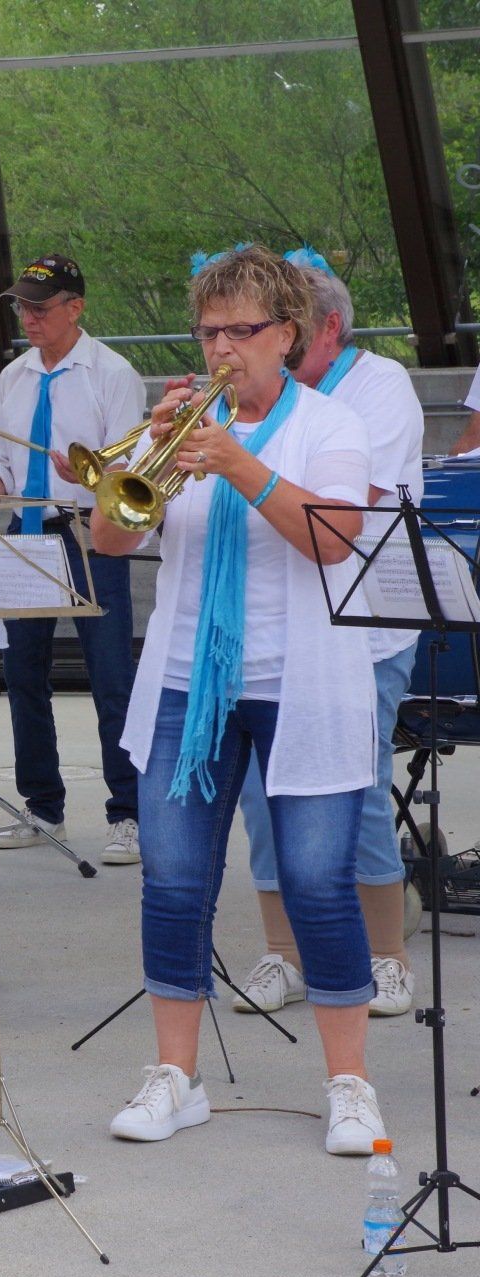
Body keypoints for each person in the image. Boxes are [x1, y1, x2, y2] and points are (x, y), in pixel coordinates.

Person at [91, 246, 384, 1155]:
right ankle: (175, 1078)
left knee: (317, 883)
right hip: (188, 679)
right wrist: (152, 451)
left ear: (286, 335)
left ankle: (350, 1086)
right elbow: (109, 538)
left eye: (240, 331)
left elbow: (335, 541)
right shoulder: (187, 424)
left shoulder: (332, 426)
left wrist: (238, 465)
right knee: (174, 880)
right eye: (209, 331)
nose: (221, 348)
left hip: (303, 682)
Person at [231, 251, 423, 1020]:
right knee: (259, 794)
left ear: (327, 327)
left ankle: (388, 955)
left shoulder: (379, 387)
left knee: (360, 789)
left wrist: (247, 462)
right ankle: (284, 953)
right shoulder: (261, 401)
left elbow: (347, 511)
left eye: (287, 328)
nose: (272, 344)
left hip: (363, 627)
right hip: (270, 626)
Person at [0, 255, 146, 866]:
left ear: (75, 308)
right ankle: (42, 806)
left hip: (87, 530)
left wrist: (91, 475)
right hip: (25, 532)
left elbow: (129, 470)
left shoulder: (113, 373)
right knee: (23, 674)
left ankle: (128, 813)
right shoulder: (14, 376)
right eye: (21, 307)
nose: (28, 318)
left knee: (111, 676)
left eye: (40, 307)